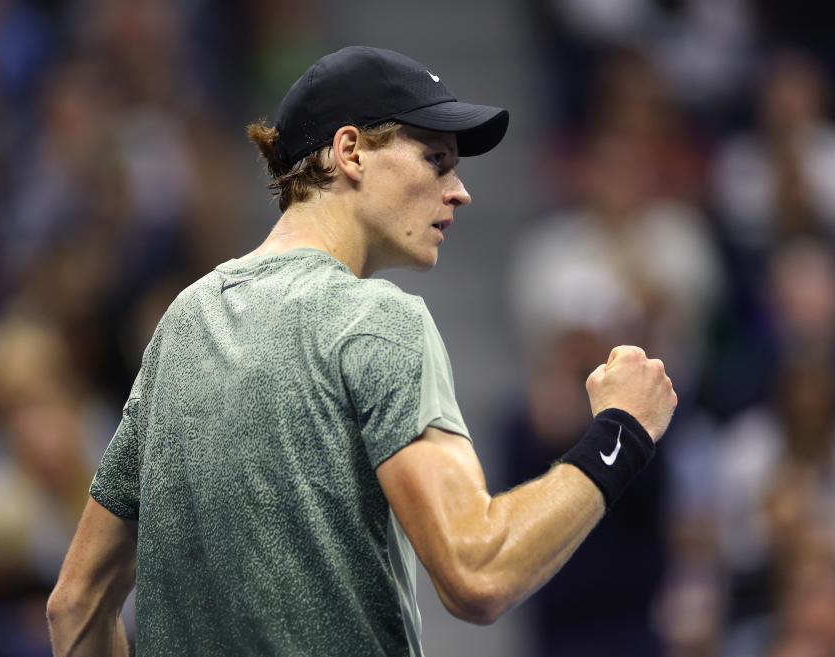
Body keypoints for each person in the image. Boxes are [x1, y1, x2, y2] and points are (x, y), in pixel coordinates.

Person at [46, 46, 677, 657]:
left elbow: (75, 604)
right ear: (350, 152)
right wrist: (620, 432)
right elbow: (477, 570)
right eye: (436, 159)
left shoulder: (183, 322)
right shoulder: (375, 322)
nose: (459, 191)